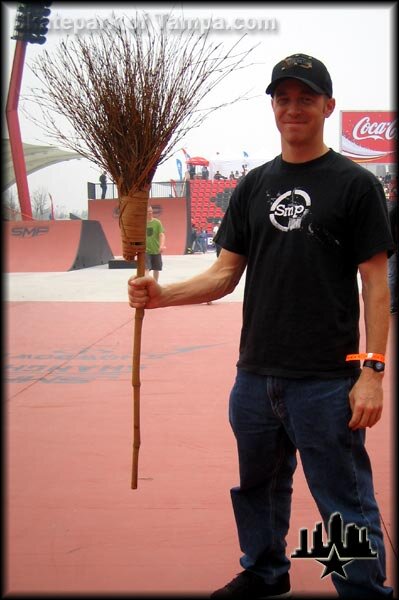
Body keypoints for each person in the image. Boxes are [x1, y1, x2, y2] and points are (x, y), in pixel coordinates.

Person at [128, 53, 394, 599]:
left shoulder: (354, 186)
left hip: (326, 379)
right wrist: (161, 296)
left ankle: (363, 590)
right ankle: (266, 571)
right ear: (273, 105)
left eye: (306, 97)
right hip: (254, 377)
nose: (293, 107)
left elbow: (376, 285)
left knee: (341, 496)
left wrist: (372, 372)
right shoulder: (253, 186)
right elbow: (225, 274)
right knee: (257, 488)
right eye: (283, 97)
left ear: (328, 105)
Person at [145, 206, 166, 282]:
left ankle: (155, 284)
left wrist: (161, 245)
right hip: (145, 250)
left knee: (156, 269)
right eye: (148, 211)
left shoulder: (157, 223)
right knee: (146, 268)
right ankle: (147, 284)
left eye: (151, 211)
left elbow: (161, 235)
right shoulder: (141, 223)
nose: (150, 213)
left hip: (156, 250)